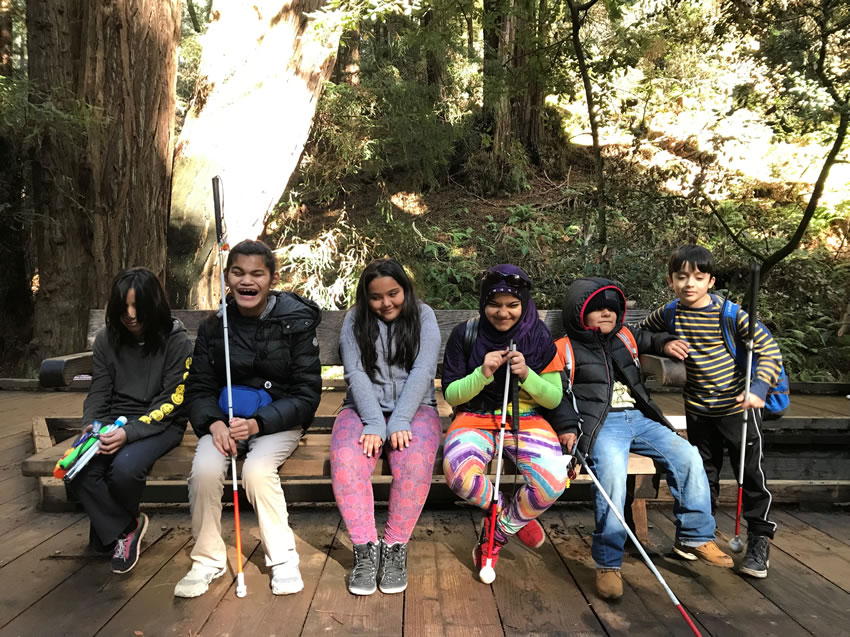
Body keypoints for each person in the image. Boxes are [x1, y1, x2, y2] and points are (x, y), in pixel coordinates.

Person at [545, 277, 732, 600]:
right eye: (597, 310)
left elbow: (649, 337)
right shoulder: (564, 349)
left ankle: (696, 535)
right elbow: (557, 394)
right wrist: (567, 428)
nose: (607, 315)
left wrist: (664, 344)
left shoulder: (626, 336)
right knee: (612, 478)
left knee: (686, 455)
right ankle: (608, 562)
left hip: (640, 418)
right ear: (579, 314)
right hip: (601, 425)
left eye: (612, 310)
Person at [174, 240, 322, 598]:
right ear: (227, 277)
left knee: (256, 471)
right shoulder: (215, 327)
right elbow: (198, 388)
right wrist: (214, 423)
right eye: (238, 272)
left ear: (272, 278)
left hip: (277, 421)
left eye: (257, 273)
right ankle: (208, 558)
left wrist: (258, 424)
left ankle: (283, 557)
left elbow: (306, 394)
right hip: (225, 421)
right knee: (206, 470)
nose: (247, 281)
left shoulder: (295, 322)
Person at [640, 245, 783, 579]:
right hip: (698, 409)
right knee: (704, 474)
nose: (690, 283)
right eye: (682, 277)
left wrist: (759, 389)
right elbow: (641, 334)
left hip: (738, 409)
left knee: (750, 474)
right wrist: (663, 342)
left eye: (698, 277)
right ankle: (697, 537)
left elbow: (770, 351)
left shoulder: (730, 314)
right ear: (671, 280)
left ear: (711, 281)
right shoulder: (670, 313)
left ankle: (759, 541)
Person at [441, 264, 568, 576]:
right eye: (494, 304)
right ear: (483, 303)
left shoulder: (538, 336)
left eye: (512, 305)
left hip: (526, 419)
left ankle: (498, 532)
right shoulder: (465, 334)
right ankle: (510, 508)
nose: (502, 313)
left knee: (552, 483)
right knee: (458, 476)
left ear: (524, 304)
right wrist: (482, 374)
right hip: (474, 417)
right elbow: (452, 395)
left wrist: (527, 375)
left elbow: (553, 397)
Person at [69, 267, 193, 574]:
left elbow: (172, 401)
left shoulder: (177, 342)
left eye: (138, 306)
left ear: (154, 306)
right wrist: (93, 425)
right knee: (77, 467)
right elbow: (99, 391)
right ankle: (127, 527)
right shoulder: (106, 340)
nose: (131, 315)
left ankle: (107, 531)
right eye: (123, 307)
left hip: (161, 423)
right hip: (112, 421)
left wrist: (129, 433)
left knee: (124, 468)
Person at [330, 259, 442, 596]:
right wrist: (376, 421)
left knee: (413, 458)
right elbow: (355, 372)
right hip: (363, 409)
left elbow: (423, 371)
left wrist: (401, 419)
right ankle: (365, 549)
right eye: (376, 297)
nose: (386, 303)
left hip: (417, 408)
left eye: (393, 293)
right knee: (347, 459)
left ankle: (394, 548)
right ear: (366, 298)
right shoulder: (354, 319)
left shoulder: (423, 316)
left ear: (405, 290)